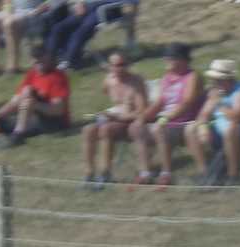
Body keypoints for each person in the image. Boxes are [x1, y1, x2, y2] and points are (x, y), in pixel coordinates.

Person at [0, 48, 73, 148]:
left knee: (28, 99)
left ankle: (18, 135)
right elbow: (16, 101)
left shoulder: (57, 77)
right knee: (0, 120)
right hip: (35, 117)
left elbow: (58, 110)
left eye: (41, 59)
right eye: (36, 60)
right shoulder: (33, 74)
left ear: (48, 58)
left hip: (55, 123)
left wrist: (35, 105)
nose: (39, 63)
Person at [138, 44, 208, 185]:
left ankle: (166, 173)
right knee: (138, 127)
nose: (165, 60)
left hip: (187, 121)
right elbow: (160, 102)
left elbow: (187, 103)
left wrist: (166, 118)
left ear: (182, 60)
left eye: (169, 58)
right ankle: (145, 172)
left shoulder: (192, 77)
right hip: (169, 121)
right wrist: (143, 117)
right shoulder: (167, 78)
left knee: (158, 128)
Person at [81, 49, 150, 186]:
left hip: (130, 122)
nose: (118, 68)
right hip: (115, 117)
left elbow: (142, 111)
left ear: (128, 64)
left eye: (121, 64)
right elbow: (110, 96)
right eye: (114, 65)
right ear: (110, 66)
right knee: (88, 130)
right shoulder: (109, 80)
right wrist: (110, 113)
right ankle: (89, 173)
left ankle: (105, 173)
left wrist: (118, 115)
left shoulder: (136, 82)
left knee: (106, 129)